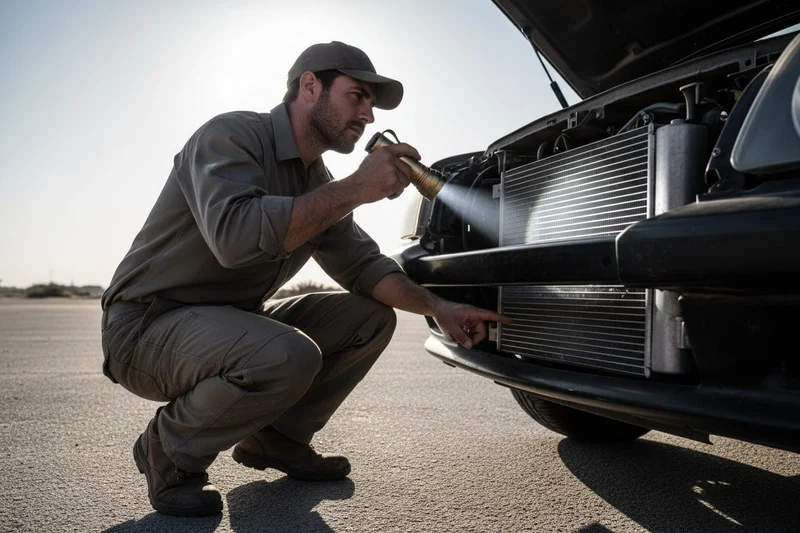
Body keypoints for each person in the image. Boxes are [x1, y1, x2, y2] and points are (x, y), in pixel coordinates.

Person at [100, 40, 511, 517]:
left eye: (372, 105)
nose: (368, 116)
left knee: (369, 318)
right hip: (147, 329)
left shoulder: (318, 181)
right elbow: (236, 238)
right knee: (287, 354)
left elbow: (363, 267)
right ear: (310, 86)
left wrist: (440, 307)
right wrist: (357, 188)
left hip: (226, 325)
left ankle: (275, 439)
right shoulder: (230, 136)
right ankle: (168, 448)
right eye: (357, 96)